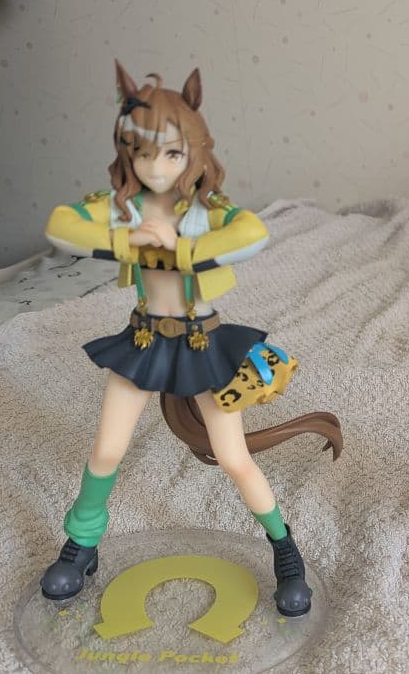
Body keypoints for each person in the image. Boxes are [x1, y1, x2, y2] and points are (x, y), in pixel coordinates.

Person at [41, 62, 312, 616]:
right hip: (143, 342)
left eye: (170, 153)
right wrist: (127, 240)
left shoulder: (206, 209)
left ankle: (286, 549)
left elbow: (252, 232)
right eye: (142, 153)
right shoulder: (124, 205)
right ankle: (82, 544)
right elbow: (61, 224)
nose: (155, 167)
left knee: (233, 458)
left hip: (201, 344)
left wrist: (180, 247)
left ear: (193, 149)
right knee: (106, 450)